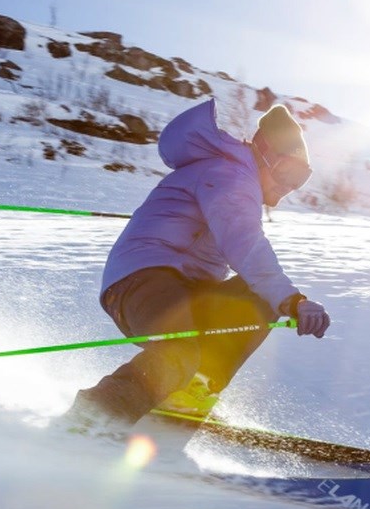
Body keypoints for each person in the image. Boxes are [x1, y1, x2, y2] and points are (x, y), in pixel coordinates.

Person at [59, 99, 330, 435]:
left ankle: (185, 400)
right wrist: (292, 299)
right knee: (181, 350)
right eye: (289, 173)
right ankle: (92, 420)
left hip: (183, 288)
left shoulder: (233, 177)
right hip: (141, 281)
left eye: (301, 180)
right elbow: (244, 243)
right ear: (265, 154)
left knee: (254, 297)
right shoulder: (230, 174)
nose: (288, 188)